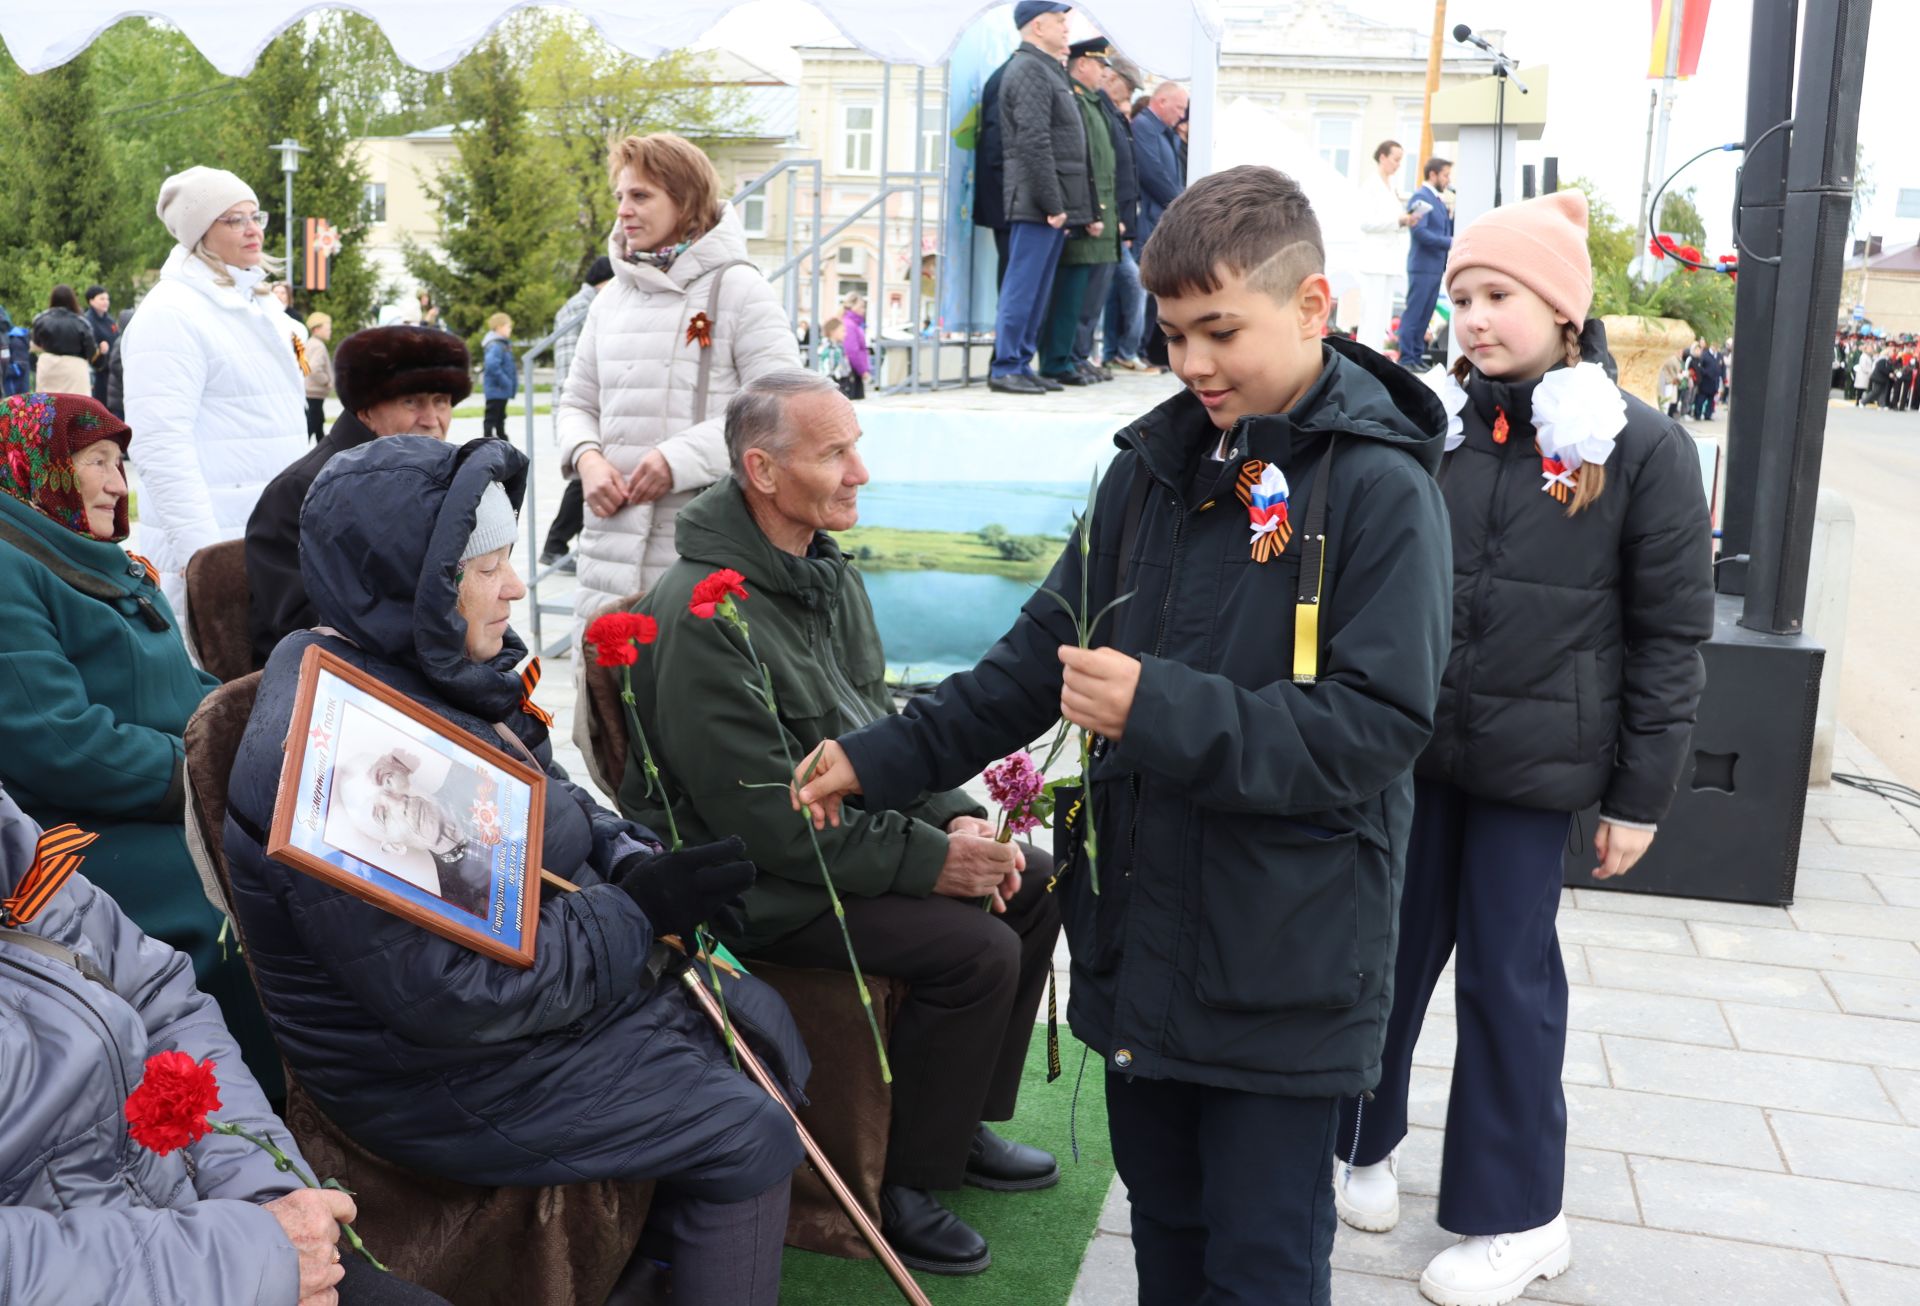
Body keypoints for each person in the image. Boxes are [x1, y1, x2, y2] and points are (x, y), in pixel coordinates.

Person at [795, 165, 1454, 1305]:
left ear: (1313, 306)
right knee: (1170, 1248)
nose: (1193, 363)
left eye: (1220, 331)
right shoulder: (1150, 476)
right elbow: (1030, 662)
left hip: (1285, 966)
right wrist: (879, 756)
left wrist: (1159, 707)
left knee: (1261, 1270)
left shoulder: (1383, 492)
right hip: (1150, 950)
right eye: (1171, 335)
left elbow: (1374, 729)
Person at [224, 435, 808, 1305]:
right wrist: (636, 915)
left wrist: (635, 860)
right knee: (746, 1127)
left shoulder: (435, 666)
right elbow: (456, 991)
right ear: (407, 582)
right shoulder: (340, 757)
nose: (516, 585)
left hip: (514, 1003)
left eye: (509, 558)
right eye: (485, 566)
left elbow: (558, 799)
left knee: (759, 1024)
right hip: (428, 1073)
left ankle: (658, 1274)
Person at [1333, 191, 1713, 1306]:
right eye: (1460, 297)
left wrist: (1638, 797)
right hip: (1412, 752)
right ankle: (1361, 1143)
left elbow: (1671, 633)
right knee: (1384, 955)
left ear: (1563, 307)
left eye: (1497, 295)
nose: (1475, 318)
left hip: (1538, 771)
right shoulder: (1432, 427)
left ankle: (1521, 1218)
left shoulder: (1638, 448)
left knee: (1508, 981)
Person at [621, 371, 1064, 1276]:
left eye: (855, 445)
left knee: (1035, 879)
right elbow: (768, 825)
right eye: (835, 453)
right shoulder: (706, 615)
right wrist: (933, 860)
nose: (861, 470)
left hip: (830, 849)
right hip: (762, 888)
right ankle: (896, 1184)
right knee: (975, 949)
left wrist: (963, 820)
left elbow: (877, 730)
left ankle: (960, 1119)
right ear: (762, 471)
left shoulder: (822, 570)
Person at [0, 785, 451, 1306]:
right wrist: (249, 1261)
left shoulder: (9, 835)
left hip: (194, 1217)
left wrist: (267, 1193)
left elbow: (159, 999)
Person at [0, 390, 281, 1092]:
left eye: (120, 463)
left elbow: (190, 685)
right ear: (39, 467)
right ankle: (259, 1112)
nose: (119, 484)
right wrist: (205, 778)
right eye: (97, 461)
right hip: (79, 827)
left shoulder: (101, 562)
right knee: (228, 909)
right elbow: (59, 745)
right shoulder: (9, 569)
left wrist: (264, 729)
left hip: (166, 793)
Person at [556, 131, 799, 626]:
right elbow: (576, 402)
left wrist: (677, 459)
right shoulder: (609, 301)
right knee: (609, 695)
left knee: (688, 694)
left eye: (641, 195)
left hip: (705, 552)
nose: (624, 210)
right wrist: (587, 459)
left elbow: (783, 411)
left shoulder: (740, 289)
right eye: (620, 196)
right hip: (608, 551)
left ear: (686, 202)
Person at [121, 166, 308, 616]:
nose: (252, 230)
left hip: (270, 539)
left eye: (255, 216)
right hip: (217, 546)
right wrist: (206, 558)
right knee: (216, 682)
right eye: (233, 219)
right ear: (201, 231)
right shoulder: (172, 313)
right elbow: (160, 445)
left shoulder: (258, 303)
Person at [246, 325, 473, 669]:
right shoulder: (298, 493)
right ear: (365, 410)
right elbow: (303, 628)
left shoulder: (434, 480)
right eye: (411, 401)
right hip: (326, 691)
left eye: (441, 402)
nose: (432, 420)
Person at [987, 2, 1090, 396]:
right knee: (1022, 287)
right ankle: (1006, 365)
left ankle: (1021, 363)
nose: (1067, 28)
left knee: (1037, 289)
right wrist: (1054, 203)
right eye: (1060, 21)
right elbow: (1033, 140)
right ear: (1037, 25)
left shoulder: (1046, 68)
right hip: (1037, 202)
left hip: (1047, 201)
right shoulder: (1029, 68)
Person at [1038, 39, 1119, 388]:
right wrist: (1085, 209)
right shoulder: (1076, 101)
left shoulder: (1092, 102)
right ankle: (1059, 360)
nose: (1104, 73)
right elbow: (1079, 163)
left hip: (1099, 210)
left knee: (1086, 297)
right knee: (1069, 296)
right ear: (1082, 63)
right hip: (1084, 211)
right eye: (1100, 65)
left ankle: (1073, 357)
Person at [540, 256, 616, 571]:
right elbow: (576, 366)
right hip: (580, 405)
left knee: (587, 477)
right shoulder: (585, 308)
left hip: (579, 404)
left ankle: (573, 544)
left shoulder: (581, 304)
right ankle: (555, 545)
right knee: (583, 478)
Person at [1131, 80, 1189, 367]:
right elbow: (1153, 174)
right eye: (1178, 107)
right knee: (1142, 287)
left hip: (1160, 221)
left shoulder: (1167, 134)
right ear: (1161, 101)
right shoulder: (1143, 127)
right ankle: (1137, 350)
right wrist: (1182, 204)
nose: (1181, 115)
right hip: (1148, 223)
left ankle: (1146, 351)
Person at [1100, 54, 1152, 372]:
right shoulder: (1108, 113)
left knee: (1111, 289)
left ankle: (1112, 353)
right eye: (1128, 86)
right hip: (1108, 218)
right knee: (1131, 281)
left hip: (1117, 221)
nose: (1129, 94)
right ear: (1114, 79)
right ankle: (1122, 351)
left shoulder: (1119, 116)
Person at [1356, 141, 1418, 355]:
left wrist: (1405, 221)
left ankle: (1374, 357)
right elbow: (1365, 222)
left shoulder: (1391, 187)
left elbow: (1392, 222)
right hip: (1374, 259)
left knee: (1382, 316)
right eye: (1396, 159)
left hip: (1389, 259)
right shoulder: (1370, 186)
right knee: (1371, 315)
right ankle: (1364, 357)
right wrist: (1398, 220)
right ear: (1382, 157)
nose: (1399, 164)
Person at [1398, 157, 1454, 369]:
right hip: (1422, 266)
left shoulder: (1437, 199)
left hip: (1433, 267)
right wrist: (1449, 242)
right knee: (1415, 312)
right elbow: (1419, 232)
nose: (1448, 180)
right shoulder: (1420, 198)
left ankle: (1416, 356)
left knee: (1425, 313)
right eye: (1445, 175)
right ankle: (1406, 358)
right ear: (1433, 175)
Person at [29, 285, 97, 396]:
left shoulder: (40, 319)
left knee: (48, 406)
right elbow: (90, 351)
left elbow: (35, 343)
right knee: (76, 407)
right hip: (74, 369)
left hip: (48, 367)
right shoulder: (81, 322)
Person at [480, 312, 516, 440]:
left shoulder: (503, 344)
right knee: (491, 416)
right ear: (499, 327)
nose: (510, 329)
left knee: (501, 416)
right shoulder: (495, 345)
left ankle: (502, 438)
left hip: (501, 390)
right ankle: (487, 440)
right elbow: (492, 365)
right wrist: (505, 381)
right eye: (508, 326)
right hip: (496, 389)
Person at [304, 311, 335, 441]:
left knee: (318, 424)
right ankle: (300, 454)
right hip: (315, 392)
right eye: (328, 328)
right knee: (311, 425)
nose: (330, 331)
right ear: (316, 329)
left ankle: (322, 455)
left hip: (310, 391)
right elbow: (313, 368)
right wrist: (327, 381)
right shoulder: (319, 346)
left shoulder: (310, 343)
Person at [84, 284, 117, 405]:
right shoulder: (87, 321)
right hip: (96, 371)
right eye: (102, 299)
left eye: (107, 299)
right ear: (91, 301)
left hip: (112, 370)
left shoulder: (110, 320)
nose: (106, 302)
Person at [840, 292, 872, 398]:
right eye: (861, 306)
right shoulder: (850, 324)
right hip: (853, 372)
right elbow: (852, 351)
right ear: (852, 306)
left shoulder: (852, 323)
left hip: (853, 371)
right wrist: (863, 371)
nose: (864, 310)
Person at [818, 314, 857, 397]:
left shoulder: (838, 347)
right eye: (843, 331)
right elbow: (827, 372)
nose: (845, 334)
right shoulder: (830, 349)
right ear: (833, 331)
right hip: (835, 386)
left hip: (841, 383)